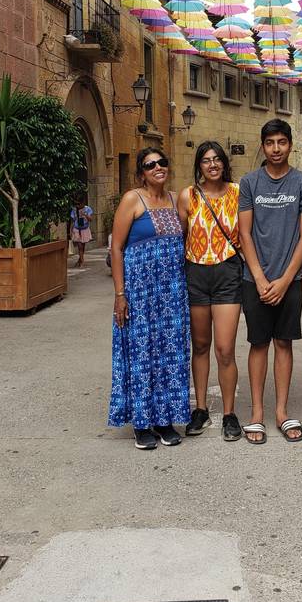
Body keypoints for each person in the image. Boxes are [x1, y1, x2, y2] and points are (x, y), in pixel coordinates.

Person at [238, 119, 302, 444]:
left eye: (281, 142)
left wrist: (286, 280)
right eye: (270, 142)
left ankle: (281, 412)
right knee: (258, 343)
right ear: (262, 145)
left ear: (290, 145)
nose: (275, 149)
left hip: (290, 280)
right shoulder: (249, 182)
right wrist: (258, 277)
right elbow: (244, 232)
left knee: (283, 343)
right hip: (254, 279)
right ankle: (257, 413)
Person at [108, 148, 190, 451]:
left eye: (162, 162)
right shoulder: (132, 199)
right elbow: (116, 248)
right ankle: (141, 423)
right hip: (140, 294)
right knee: (142, 354)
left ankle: (165, 419)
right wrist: (120, 294)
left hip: (171, 293)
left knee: (170, 354)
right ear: (141, 173)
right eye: (150, 165)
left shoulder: (175, 199)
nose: (158, 167)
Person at [177, 141, 243, 442]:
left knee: (225, 349)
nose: (212, 165)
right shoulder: (188, 195)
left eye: (217, 159)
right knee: (200, 346)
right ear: (199, 166)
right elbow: (178, 238)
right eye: (206, 161)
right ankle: (200, 409)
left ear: (224, 163)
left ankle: (229, 413)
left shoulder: (237, 193)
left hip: (228, 272)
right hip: (196, 273)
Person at [70, 195, 93, 267]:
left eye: (79, 204)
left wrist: (85, 215)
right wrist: (70, 231)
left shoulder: (88, 209)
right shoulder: (74, 210)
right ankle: (82, 261)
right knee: (79, 245)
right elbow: (72, 221)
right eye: (76, 204)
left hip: (84, 229)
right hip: (77, 229)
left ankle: (80, 259)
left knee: (83, 246)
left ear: (83, 203)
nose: (78, 205)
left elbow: (90, 219)